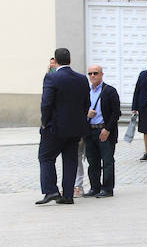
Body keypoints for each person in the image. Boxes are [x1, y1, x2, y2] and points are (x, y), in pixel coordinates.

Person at [37, 47, 90, 205]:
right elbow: (86, 103)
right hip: (75, 128)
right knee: (70, 160)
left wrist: (45, 122)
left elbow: (46, 104)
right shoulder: (82, 79)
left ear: (56, 60)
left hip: (55, 127)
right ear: (70, 60)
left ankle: (51, 190)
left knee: (45, 157)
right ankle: (68, 195)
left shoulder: (51, 78)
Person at [83, 65, 121, 197]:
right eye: (90, 74)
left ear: (101, 74)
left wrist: (107, 129)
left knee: (107, 161)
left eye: (95, 73)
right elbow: (80, 110)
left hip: (104, 130)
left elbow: (116, 113)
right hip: (90, 131)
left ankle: (107, 188)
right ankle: (95, 187)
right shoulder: (86, 92)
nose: (92, 76)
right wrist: (86, 114)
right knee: (92, 161)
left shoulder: (109, 91)